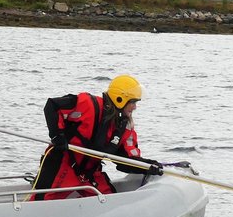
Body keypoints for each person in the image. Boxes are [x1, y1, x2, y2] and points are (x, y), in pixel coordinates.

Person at [31, 74, 163, 201]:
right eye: (133, 102)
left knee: (109, 201)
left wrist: (148, 166)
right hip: (63, 164)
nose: (135, 107)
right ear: (120, 99)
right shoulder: (88, 105)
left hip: (90, 172)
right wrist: (57, 135)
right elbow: (53, 106)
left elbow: (127, 160)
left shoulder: (125, 128)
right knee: (41, 202)